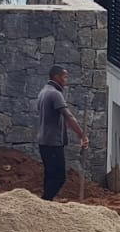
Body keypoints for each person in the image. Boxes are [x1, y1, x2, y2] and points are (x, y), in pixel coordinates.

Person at [36, 65, 88, 201]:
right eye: (65, 77)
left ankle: (47, 202)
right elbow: (68, 116)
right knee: (59, 176)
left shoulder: (43, 92)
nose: (66, 80)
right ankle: (45, 201)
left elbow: (55, 118)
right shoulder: (55, 94)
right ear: (56, 77)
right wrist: (82, 135)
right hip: (53, 142)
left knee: (50, 175)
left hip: (44, 141)